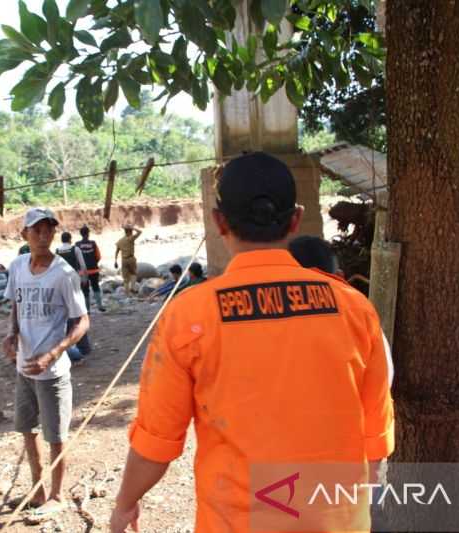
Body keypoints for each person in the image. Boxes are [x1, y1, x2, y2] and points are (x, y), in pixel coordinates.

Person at [109, 152, 394, 533]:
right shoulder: (355, 309)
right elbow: (375, 443)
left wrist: (125, 504)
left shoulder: (191, 316)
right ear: (295, 219)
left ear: (219, 221)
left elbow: (156, 444)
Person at [2, 207, 89, 518]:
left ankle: (57, 495)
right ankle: (37, 491)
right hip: (24, 369)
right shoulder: (17, 267)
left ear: (54, 233)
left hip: (52, 372)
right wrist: (11, 333)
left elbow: (82, 322)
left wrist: (54, 353)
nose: (42, 236)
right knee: (28, 431)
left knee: (56, 437)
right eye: (36, 230)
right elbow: (16, 304)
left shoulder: (63, 274)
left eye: (47, 230)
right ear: (24, 234)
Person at [56, 231, 92, 363]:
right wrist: (84, 278)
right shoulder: (75, 249)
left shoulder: (57, 250)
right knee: (79, 311)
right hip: (74, 280)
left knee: (66, 312)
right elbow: (82, 265)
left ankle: (70, 345)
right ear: (70, 239)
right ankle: (82, 347)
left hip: (61, 282)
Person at [75, 226, 106, 312]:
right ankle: (100, 306)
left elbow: (75, 258)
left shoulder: (77, 245)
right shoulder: (93, 243)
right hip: (94, 270)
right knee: (96, 287)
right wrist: (93, 262)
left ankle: (87, 309)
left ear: (80, 234)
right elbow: (98, 256)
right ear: (88, 233)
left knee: (85, 290)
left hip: (82, 272)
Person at [114, 224, 142, 295]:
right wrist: (133, 227)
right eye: (131, 231)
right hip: (131, 258)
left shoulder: (120, 241)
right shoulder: (130, 238)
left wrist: (115, 261)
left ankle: (127, 294)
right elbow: (140, 232)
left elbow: (117, 251)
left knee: (125, 278)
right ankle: (132, 287)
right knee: (133, 273)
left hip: (123, 260)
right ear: (130, 231)